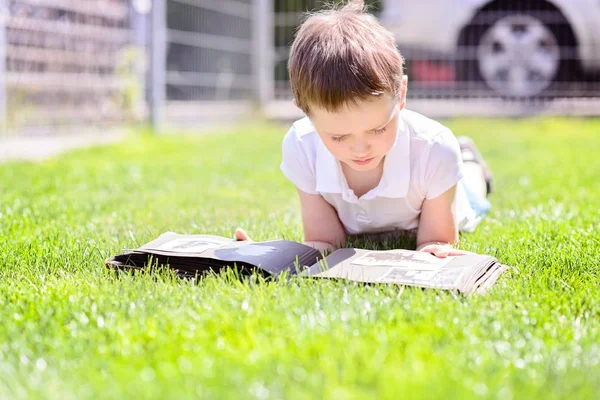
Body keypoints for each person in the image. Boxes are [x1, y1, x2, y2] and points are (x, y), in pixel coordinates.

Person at [235, 0, 493, 258]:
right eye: (338, 136)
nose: (360, 148)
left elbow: (436, 240)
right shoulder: (302, 145)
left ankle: (470, 161)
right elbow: (324, 241)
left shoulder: (434, 149)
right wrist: (267, 254)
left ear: (401, 94)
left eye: (379, 129)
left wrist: (436, 249)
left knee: (472, 196)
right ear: (307, 113)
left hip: (440, 192)